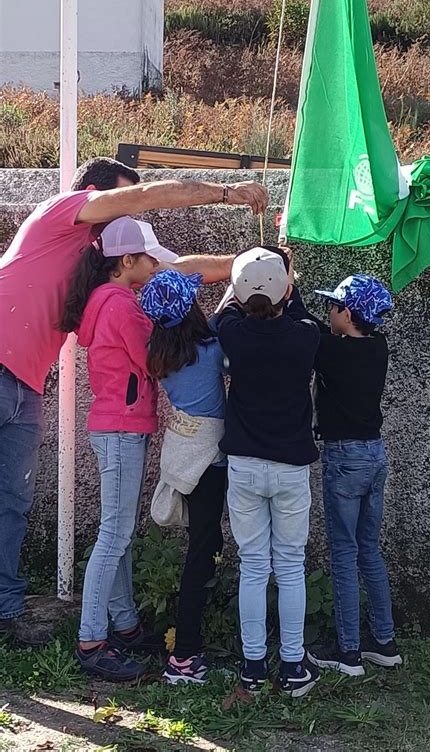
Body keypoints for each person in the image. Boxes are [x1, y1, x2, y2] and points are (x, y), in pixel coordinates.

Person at [0, 156, 267, 638]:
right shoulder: (58, 214)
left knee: (13, 501)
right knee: (109, 532)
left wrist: (255, 267)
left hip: (26, 382)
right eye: (121, 207)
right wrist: (227, 193)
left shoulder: (105, 263)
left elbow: (176, 271)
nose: (132, 217)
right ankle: (93, 635)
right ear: (96, 197)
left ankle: (8, 610)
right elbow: (145, 200)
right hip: (11, 373)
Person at [61, 217, 178, 680]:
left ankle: (125, 626)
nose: (154, 266)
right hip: (122, 427)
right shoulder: (122, 307)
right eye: (149, 259)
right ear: (125, 261)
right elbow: (155, 360)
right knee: (114, 534)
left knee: (120, 531)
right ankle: (92, 639)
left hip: (117, 425)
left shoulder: (104, 301)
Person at [216, 248, 321, 698]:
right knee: (291, 566)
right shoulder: (306, 335)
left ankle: (253, 667)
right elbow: (296, 310)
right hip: (291, 466)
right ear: (288, 290)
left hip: (243, 465)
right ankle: (294, 664)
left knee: (254, 567)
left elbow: (226, 310)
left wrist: (244, 282)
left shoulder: (231, 332)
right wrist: (286, 274)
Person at [295, 274, 402, 676]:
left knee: (343, 553)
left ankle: (349, 650)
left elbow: (305, 323)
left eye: (334, 305)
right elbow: (322, 329)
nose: (328, 311)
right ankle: (384, 641)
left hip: (345, 458)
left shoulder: (333, 353)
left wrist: (290, 285)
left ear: (347, 312)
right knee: (369, 550)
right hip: (375, 454)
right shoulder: (378, 347)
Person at [140, 269, 228, 685]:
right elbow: (222, 324)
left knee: (202, 544)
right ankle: (185, 654)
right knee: (203, 552)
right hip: (209, 461)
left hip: (185, 455)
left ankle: (189, 645)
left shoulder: (161, 353)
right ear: (192, 308)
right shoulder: (210, 350)